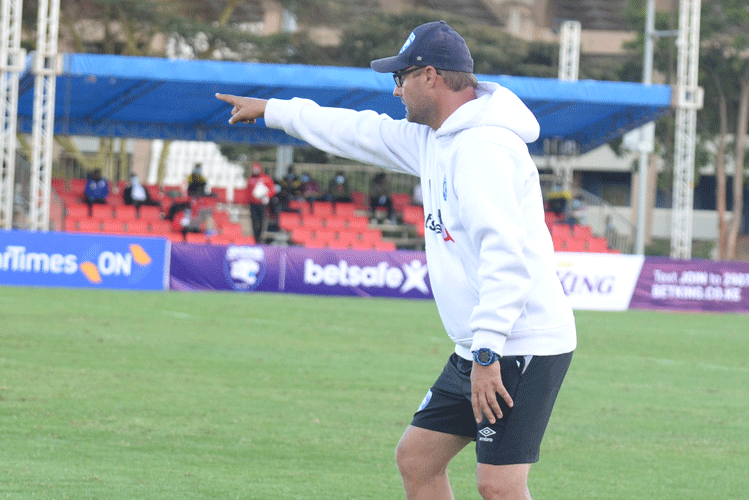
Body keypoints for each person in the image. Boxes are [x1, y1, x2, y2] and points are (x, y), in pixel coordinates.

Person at [216, 20, 576, 500]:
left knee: (499, 487)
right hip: (480, 347)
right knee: (417, 459)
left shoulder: (484, 148)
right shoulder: (437, 137)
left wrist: (488, 352)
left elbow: (506, 258)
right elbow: (359, 131)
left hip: (519, 343)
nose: (396, 91)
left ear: (430, 76)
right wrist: (276, 110)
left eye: (400, 78)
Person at [246, 162, 276, 243]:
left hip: (262, 204)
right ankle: (256, 239)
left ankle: (260, 238)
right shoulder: (250, 179)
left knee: (262, 222)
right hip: (253, 204)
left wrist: (266, 195)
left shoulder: (266, 178)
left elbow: (272, 190)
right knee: (254, 222)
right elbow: (248, 192)